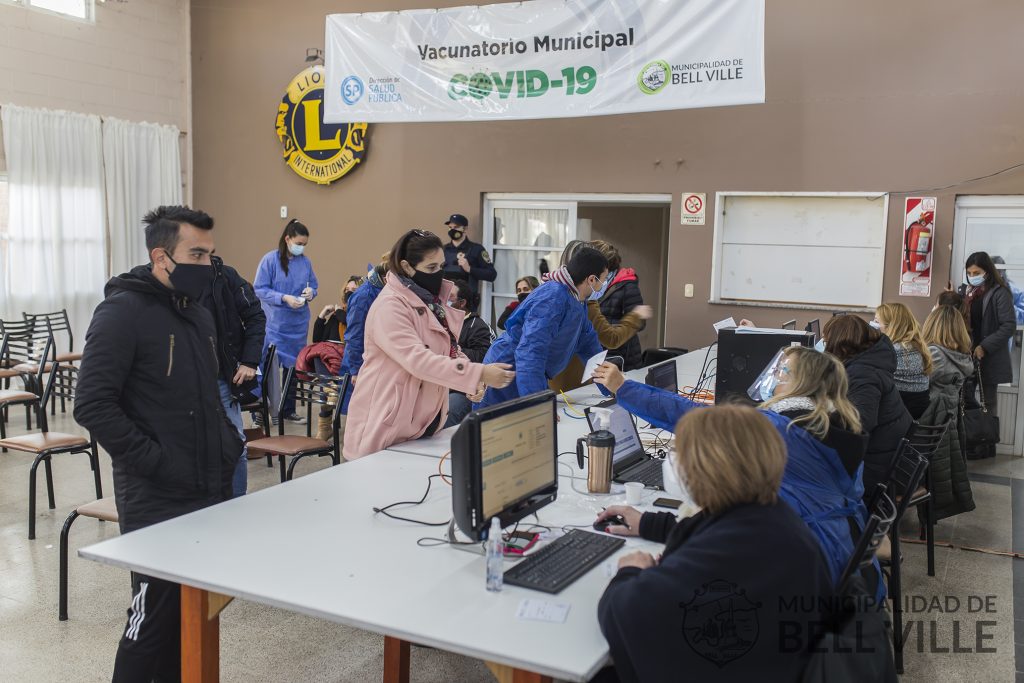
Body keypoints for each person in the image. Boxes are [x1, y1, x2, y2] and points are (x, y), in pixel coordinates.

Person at [74, 206, 242, 682]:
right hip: (157, 497)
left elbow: (208, 396)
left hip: (207, 491)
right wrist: (158, 462)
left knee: (190, 619)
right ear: (161, 256)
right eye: (196, 254)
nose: (208, 265)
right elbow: (92, 404)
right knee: (150, 624)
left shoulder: (199, 314)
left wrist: (229, 446)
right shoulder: (121, 312)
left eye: (210, 254)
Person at [593, 346, 872, 593]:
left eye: (784, 371)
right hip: (836, 553)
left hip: (808, 577)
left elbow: (691, 417)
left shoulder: (781, 429)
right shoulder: (834, 425)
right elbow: (737, 527)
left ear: (799, 382)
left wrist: (624, 387)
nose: (777, 377)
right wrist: (650, 524)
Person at [595, 405, 836, 683]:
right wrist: (650, 524)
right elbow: (715, 532)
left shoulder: (721, 556)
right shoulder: (776, 520)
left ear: (704, 471)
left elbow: (624, 613)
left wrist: (630, 571)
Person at [343, 230, 515, 459]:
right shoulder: (390, 307)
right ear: (406, 267)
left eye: (442, 266)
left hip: (420, 427)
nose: (439, 274)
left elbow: (449, 348)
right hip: (384, 427)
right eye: (431, 268)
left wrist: (471, 382)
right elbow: (419, 361)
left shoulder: (430, 302)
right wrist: (478, 373)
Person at [476, 246, 609, 409]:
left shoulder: (577, 301)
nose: (604, 285)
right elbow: (531, 351)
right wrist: (539, 405)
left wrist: (611, 387)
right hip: (508, 372)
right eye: (603, 279)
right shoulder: (553, 297)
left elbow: (588, 344)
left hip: (529, 374)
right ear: (591, 279)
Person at [821, 315, 912, 496]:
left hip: (877, 471)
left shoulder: (864, 373)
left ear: (841, 344)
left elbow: (860, 423)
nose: (824, 346)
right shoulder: (871, 361)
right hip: (888, 458)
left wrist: (821, 418)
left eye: (826, 341)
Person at [548, 240, 652, 393]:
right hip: (568, 385)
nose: (603, 282)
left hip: (565, 383)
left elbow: (590, 347)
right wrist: (636, 317)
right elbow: (610, 338)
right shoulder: (579, 301)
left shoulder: (572, 297)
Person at [203, 253, 266, 497]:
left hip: (221, 377)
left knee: (234, 444)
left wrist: (249, 361)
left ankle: (237, 504)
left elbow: (255, 316)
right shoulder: (167, 278)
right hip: (185, 380)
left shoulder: (226, 276)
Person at [254, 219, 318, 424]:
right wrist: (283, 298)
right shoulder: (270, 260)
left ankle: (288, 410)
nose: (302, 247)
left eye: (305, 244)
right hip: (275, 324)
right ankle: (261, 409)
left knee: (293, 369)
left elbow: (314, 285)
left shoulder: (305, 262)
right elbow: (260, 289)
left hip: (297, 325)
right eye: (299, 243)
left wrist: (311, 292)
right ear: (287, 238)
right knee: (268, 367)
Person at [957, 251, 1015, 457]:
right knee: (965, 399)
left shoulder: (1000, 292)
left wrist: (984, 346)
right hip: (967, 355)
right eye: (969, 272)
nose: (973, 275)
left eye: (977, 272)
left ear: (988, 272)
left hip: (987, 356)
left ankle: (986, 445)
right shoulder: (967, 293)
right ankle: (970, 441)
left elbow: (1008, 325)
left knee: (987, 402)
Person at [920, 305, 976, 518]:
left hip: (927, 426)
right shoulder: (962, 355)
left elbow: (915, 382)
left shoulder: (936, 354)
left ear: (933, 326)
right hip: (945, 425)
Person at [445, 279, 495, 428]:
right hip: (441, 384)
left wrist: (451, 349)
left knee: (449, 410)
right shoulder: (442, 321)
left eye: (450, 297)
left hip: (465, 390)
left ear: (462, 303)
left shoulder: (478, 326)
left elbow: (482, 357)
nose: (445, 300)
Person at [592, 240, 647, 370]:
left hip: (622, 357)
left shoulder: (627, 285)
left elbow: (640, 322)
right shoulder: (592, 284)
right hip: (599, 353)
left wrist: (608, 329)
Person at [874, 302, 933, 419]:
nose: (873, 326)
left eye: (876, 322)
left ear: (891, 326)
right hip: (916, 417)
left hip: (897, 421)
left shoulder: (891, 352)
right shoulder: (917, 348)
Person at [441, 213, 497, 301]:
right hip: (445, 298)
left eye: (456, 227)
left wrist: (469, 269)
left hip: (466, 301)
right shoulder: (443, 250)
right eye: (450, 227)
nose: (452, 230)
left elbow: (492, 274)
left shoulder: (477, 249)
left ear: (465, 229)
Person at [313, 275, 362, 343]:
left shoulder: (364, 312)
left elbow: (351, 321)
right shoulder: (337, 314)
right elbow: (317, 340)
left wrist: (339, 312)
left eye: (354, 290)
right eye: (347, 289)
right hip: (328, 351)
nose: (349, 293)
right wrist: (321, 316)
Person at [992, 255, 1024, 324]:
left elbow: (1022, 318)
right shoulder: (980, 289)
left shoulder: (1015, 291)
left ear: (1003, 271)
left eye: (997, 271)